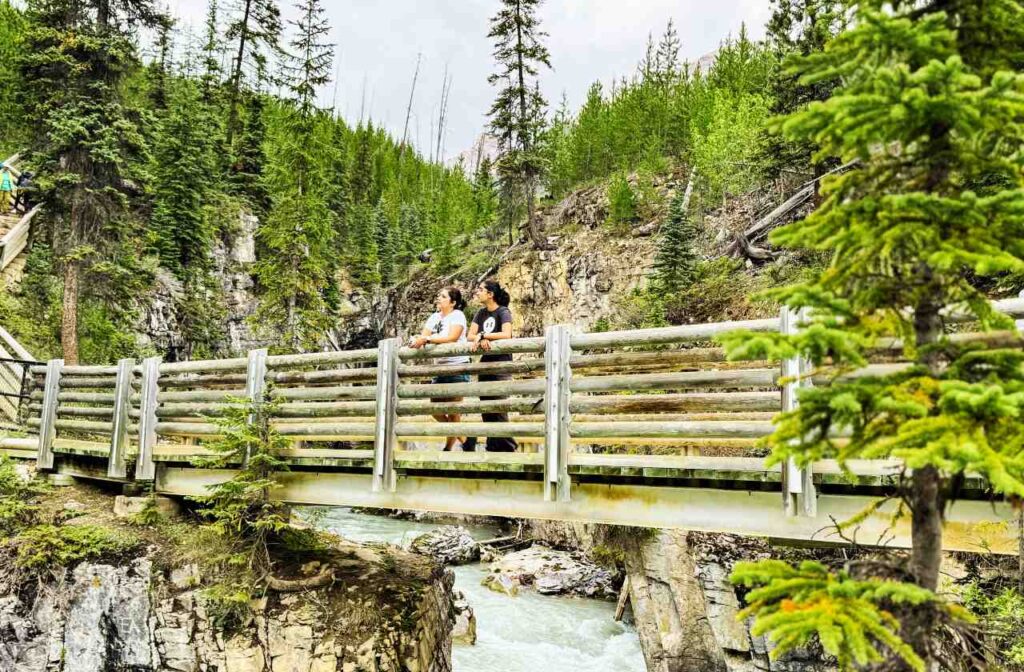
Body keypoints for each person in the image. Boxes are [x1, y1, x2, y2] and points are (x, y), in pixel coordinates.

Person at [409, 287, 470, 451]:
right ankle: (465, 439)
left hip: (457, 366)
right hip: (440, 368)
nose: (439, 298)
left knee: (453, 411)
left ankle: (448, 448)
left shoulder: (457, 315)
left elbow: (452, 337)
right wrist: (418, 340)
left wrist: (427, 339)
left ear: (453, 302)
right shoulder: (434, 317)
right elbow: (424, 336)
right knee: (434, 409)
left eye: (443, 296)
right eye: (439, 295)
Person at [464, 280, 518, 453]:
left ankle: (508, 448)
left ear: (490, 294)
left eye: (480, 290)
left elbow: (506, 334)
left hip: (501, 364)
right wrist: (481, 337)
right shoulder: (481, 313)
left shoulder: (503, 311)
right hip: (486, 364)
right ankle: (492, 447)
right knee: (486, 407)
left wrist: (486, 336)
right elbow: (469, 336)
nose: (477, 292)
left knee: (499, 407)